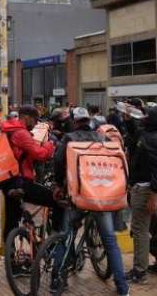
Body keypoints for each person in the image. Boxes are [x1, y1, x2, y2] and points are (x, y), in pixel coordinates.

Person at [52, 107, 129, 295]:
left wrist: (58, 184)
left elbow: (58, 162)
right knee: (110, 241)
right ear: (89, 120)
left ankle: (57, 280)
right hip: (101, 196)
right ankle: (122, 287)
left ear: (74, 121)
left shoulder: (69, 139)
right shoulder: (103, 138)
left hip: (78, 196)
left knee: (66, 236)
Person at [127, 106, 157, 284]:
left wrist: (154, 196)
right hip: (148, 188)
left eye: (148, 115)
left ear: (154, 120)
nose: (144, 117)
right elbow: (135, 133)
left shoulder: (154, 139)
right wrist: (128, 117)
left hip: (146, 189)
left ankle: (139, 271)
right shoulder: (152, 134)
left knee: (140, 230)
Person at [1, 105, 60, 240]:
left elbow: (25, 153)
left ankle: (10, 255)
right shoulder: (21, 133)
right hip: (21, 181)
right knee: (57, 202)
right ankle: (58, 238)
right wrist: (50, 144)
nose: (35, 125)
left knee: (11, 221)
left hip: (8, 182)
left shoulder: (8, 130)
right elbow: (40, 154)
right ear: (27, 118)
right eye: (35, 121)